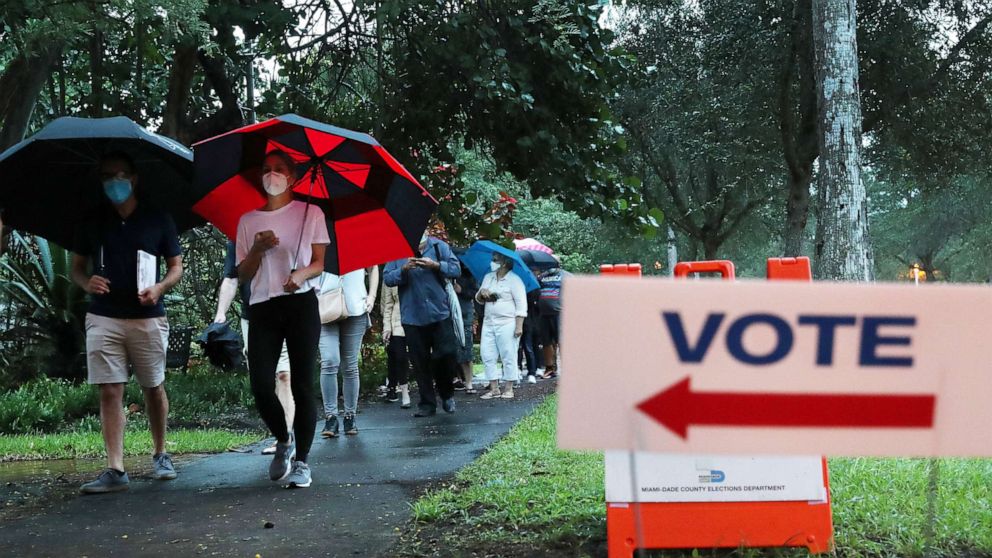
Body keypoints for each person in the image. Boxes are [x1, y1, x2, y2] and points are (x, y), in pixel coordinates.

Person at [71, 151, 184, 494]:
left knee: (153, 386)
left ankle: (161, 453)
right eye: (107, 176)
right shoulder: (91, 220)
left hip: (147, 317)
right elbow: (76, 268)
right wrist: (86, 282)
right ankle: (115, 468)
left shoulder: (158, 218)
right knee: (110, 388)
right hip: (103, 315)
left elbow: (176, 266)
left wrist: (160, 287)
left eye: (120, 175)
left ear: (134, 179)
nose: (114, 182)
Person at [236, 150, 329, 489]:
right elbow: (242, 274)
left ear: (292, 176)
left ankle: (303, 461)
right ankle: (282, 439)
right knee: (261, 384)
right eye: (266, 169)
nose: (271, 175)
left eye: (279, 170)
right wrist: (258, 250)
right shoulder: (248, 221)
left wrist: (301, 275)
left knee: (303, 385)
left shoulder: (311, 212)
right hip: (262, 306)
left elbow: (319, 262)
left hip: (301, 304)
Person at [214, 240, 293, 455]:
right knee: (262, 382)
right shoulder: (237, 239)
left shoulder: (283, 234)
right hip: (253, 318)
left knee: (283, 374)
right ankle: (281, 433)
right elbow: (231, 278)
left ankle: (285, 438)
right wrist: (221, 314)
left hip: (284, 313)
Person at [383, 233, 461, 417]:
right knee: (419, 362)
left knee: (447, 354)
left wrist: (436, 265)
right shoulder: (397, 251)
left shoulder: (438, 246)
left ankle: (447, 394)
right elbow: (388, 278)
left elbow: (455, 269)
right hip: (412, 316)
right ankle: (427, 403)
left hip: (439, 311)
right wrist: (403, 269)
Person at [318, 267, 378, 437]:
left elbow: (373, 267)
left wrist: (371, 296)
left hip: (356, 307)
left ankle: (350, 416)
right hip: (325, 308)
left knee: (350, 366)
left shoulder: (357, 242)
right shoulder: (317, 242)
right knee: (329, 360)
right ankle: (330, 417)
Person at [475, 253, 527, 400]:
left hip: (507, 322)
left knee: (508, 354)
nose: (493, 262)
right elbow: (478, 299)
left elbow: (521, 305)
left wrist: (519, 326)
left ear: (504, 263)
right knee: (487, 354)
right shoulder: (488, 277)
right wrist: (482, 294)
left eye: (496, 260)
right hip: (489, 321)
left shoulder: (515, 280)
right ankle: (494, 388)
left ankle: (509, 388)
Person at [380, 283, 411, 408]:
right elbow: (387, 304)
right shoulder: (391, 272)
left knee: (420, 355)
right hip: (397, 322)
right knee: (400, 357)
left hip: (417, 319)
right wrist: (386, 327)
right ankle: (404, 392)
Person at [538, 262, 571, 379]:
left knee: (562, 341)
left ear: (559, 264)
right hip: (543, 314)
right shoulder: (542, 276)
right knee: (546, 342)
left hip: (560, 313)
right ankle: (550, 368)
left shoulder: (567, 276)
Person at [453, 260, 479, 393]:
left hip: (464, 314)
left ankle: (468, 381)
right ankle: (456, 378)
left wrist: (461, 290)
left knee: (465, 348)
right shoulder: (448, 275)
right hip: (449, 313)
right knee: (452, 349)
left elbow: (474, 294)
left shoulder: (469, 275)